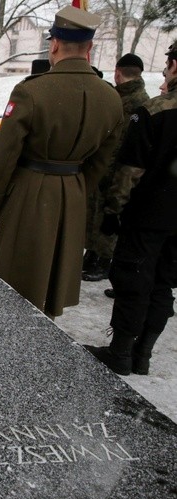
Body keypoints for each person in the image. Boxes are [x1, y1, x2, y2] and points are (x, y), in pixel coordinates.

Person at [0, 6, 123, 318]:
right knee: (50, 284)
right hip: (73, 194)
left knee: (15, 285)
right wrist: (77, 188)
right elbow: (103, 160)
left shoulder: (32, 91)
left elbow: (4, 158)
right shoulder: (111, 98)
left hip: (29, 193)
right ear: (90, 48)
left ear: (54, 44)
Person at [84, 41, 177, 376]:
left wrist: (112, 210)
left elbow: (130, 170)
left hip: (148, 214)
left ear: (175, 66)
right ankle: (144, 354)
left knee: (134, 280)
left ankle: (121, 351)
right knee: (163, 284)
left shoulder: (155, 111)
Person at [83, 53, 150, 282]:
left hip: (118, 170)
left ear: (118, 72)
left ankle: (103, 261)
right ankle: (92, 254)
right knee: (96, 213)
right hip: (110, 167)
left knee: (109, 215)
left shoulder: (133, 102)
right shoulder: (133, 99)